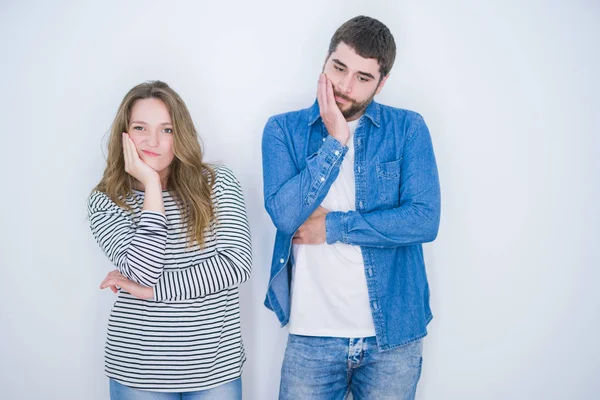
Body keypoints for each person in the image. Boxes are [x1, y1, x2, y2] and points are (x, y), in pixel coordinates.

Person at [262, 16, 441, 399]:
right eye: (339, 68)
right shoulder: (282, 131)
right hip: (311, 338)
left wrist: (334, 227)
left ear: (382, 82)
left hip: (392, 337)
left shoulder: (408, 128)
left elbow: (424, 220)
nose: (345, 86)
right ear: (325, 61)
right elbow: (284, 215)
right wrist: (336, 141)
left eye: (363, 77)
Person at [88, 81, 251, 399]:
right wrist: (151, 184)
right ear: (124, 134)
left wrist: (151, 292)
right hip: (137, 372)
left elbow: (235, 264)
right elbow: (143, 269)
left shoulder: (216, 183)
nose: (152, 141)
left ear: (181, 134)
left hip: (215, 369)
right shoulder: (107, 201)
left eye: (167, 129)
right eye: (140, 128)